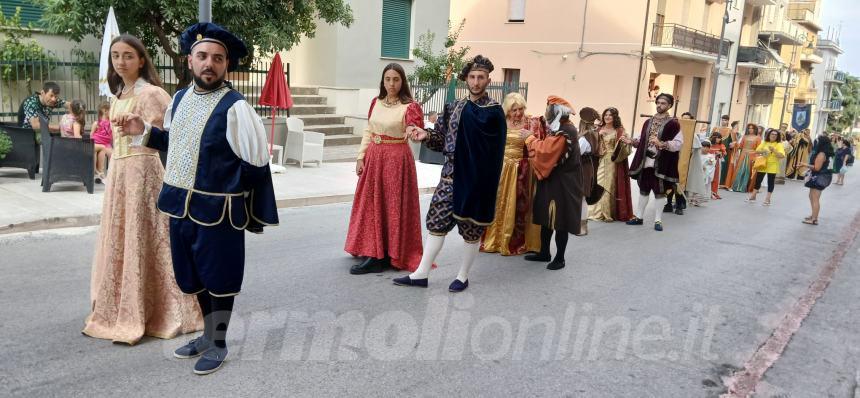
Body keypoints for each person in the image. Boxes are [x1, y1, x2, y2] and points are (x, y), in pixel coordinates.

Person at [117, 23, 278, 375]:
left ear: (227, 66)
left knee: (220, 278)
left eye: (218, 59)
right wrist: (144, 132)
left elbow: (255, 164)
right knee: (192, 277)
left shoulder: (237, 108)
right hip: (180, 206)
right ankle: (206, 336)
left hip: (219, 212)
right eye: (203, 56)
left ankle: (217, 343)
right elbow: (177, 142)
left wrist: (242, 207)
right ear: (190, 61)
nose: (210, 63)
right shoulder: (179, 99)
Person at [83, 35, 202, 346]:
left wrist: (148, 133)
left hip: (144, 174)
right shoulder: (118, 94)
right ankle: (125, 303)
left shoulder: (152, 94)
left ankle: (158, 307)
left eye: (128, 56)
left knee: (145, 238)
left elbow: (178, 133)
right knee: (122, 238)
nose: (120, 62)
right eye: (116, 56)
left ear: (141, 60)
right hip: (119, 173)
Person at [392, 55, 506, 292]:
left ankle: (463, 276)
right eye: (472, 77)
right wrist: (426, 135)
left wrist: (485, 184)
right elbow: (442, 138)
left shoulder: (494, 112)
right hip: (450, 177)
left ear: (488, 80)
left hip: (475, 181)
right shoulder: (454, 106)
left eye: (481, 77)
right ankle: (421, 273)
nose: (476, 82)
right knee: (436, 222)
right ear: (466, 79)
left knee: (471, 230)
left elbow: (494, 154)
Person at [344, 63, 425, 274]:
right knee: (371, 204)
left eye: (396, 79)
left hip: (396, 160)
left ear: (402, 82)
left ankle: (388, 253)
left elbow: (413, 128)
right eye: (388, 79)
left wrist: (413, 130)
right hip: (374, 156)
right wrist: (360, 157)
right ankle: (372, 250)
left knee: (392, 206)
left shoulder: (410, 107)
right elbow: (369, 130)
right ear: (383, 81)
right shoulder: (376, 102)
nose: (391, 84)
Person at [523, 96, 584, 269]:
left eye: (549, 108)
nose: (546, 111)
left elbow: (546, 151)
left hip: (564, 184)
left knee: (560, 221)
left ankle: (560, 258)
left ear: (556, 112)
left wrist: (530, 139)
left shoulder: (565, 131)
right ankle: (544, 253)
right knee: (546, 218)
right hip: (553, 180)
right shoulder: (560, 127)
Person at [480, 92, 543, 255]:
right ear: (508, 110)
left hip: (522, 169)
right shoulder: (501, 121)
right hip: (501, 168)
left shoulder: (531, 123)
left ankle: (515, 241)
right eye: (514, 110)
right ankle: (495, 239)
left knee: (519, 205)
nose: (518, 113)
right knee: (497, 203)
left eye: (521, 109)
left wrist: (531, 136)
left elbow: (539, 144)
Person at [622, 93, 682, 232]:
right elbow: (641, 140)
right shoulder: (648, 122)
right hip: (645, 162)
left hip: (661, 163)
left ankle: (658, 220)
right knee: (643, 189)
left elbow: (679, 144)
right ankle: (639, 217)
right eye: (658, 102)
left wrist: (662, 144)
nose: (659, 105)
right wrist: (632, 141)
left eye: (663, 103)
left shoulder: (673, 124)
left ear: (669, 106)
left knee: (659, 191)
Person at [588, 107, 633, 222]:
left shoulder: (620, 130)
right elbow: (590, 144)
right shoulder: (598, 129)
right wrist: (597, 135)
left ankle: (608, 212)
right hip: (600, 160)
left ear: (615, 117)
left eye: (610, 115)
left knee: (610, 185)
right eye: (605, 115)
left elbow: (626, 147)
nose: (607, 117)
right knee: (598, 183)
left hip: (613, 162)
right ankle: (595, 211)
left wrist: (623, 141)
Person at [576, 107, 600, 236]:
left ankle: (581, 227)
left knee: (581, 197)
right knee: (582, 197)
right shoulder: (594, 134)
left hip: (583, 168)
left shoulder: (584, 137)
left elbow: (576, 154)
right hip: (587, 167)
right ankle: (581, 226)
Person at [746, 128, 785, 205]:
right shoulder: (765, 142)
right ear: (769, 135)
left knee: (770, 181)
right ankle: (753, 196)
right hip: (763, 163)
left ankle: (768, 199)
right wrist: (764, 151)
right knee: (758, 180)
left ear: (777, 136)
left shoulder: (779, 144)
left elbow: (781, 155)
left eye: (775, 135)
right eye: (772, 134)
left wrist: (774, 150)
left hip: (773, 164)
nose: (773, 136)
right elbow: (757, 150)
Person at [803, 135, 834, 225]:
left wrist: (804, 165)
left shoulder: (822, 154)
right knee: (811, 196)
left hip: (820, 177)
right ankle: (813, 215)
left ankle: (814, 219)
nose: (815, 142)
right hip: (822, 176)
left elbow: (817, 168)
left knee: (815, 198)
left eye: (817, 141)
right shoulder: (827, 152)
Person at [728, 123, 761, 192]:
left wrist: (756, 157)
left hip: (752, 155)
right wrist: (735, 144)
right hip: (743, 154)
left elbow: (759, 149)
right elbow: (740, 146)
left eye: (752, 128)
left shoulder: (758, 138)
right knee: (739, 169)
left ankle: (744, 187)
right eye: (749, 128)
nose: (750, 129)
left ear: (755, 129)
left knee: (748, 171)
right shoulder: (745, 136)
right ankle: (736, 186)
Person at [90, 103, 114, 182]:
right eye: (111, 110)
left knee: (112, 154)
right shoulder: (96, 123)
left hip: (106, 144)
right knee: (98, 151)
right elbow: (91, 135)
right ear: (104, 111)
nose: (112, 112)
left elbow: (113, 136)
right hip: (96, 143)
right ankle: (99, 173)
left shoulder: (111, 123)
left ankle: (111, 174)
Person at [708, 132, 726, 199]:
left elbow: (724, 153)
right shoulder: (709, 144)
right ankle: (707, 192)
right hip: (708, 163)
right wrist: (715, 152)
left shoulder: (721, 145)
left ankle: (714, 192)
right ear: (714, 137)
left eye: (720, 138)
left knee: (716, 178)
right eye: (718, 138)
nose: (719, 139)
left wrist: (720, 153)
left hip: (717, 163)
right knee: (708, 177)